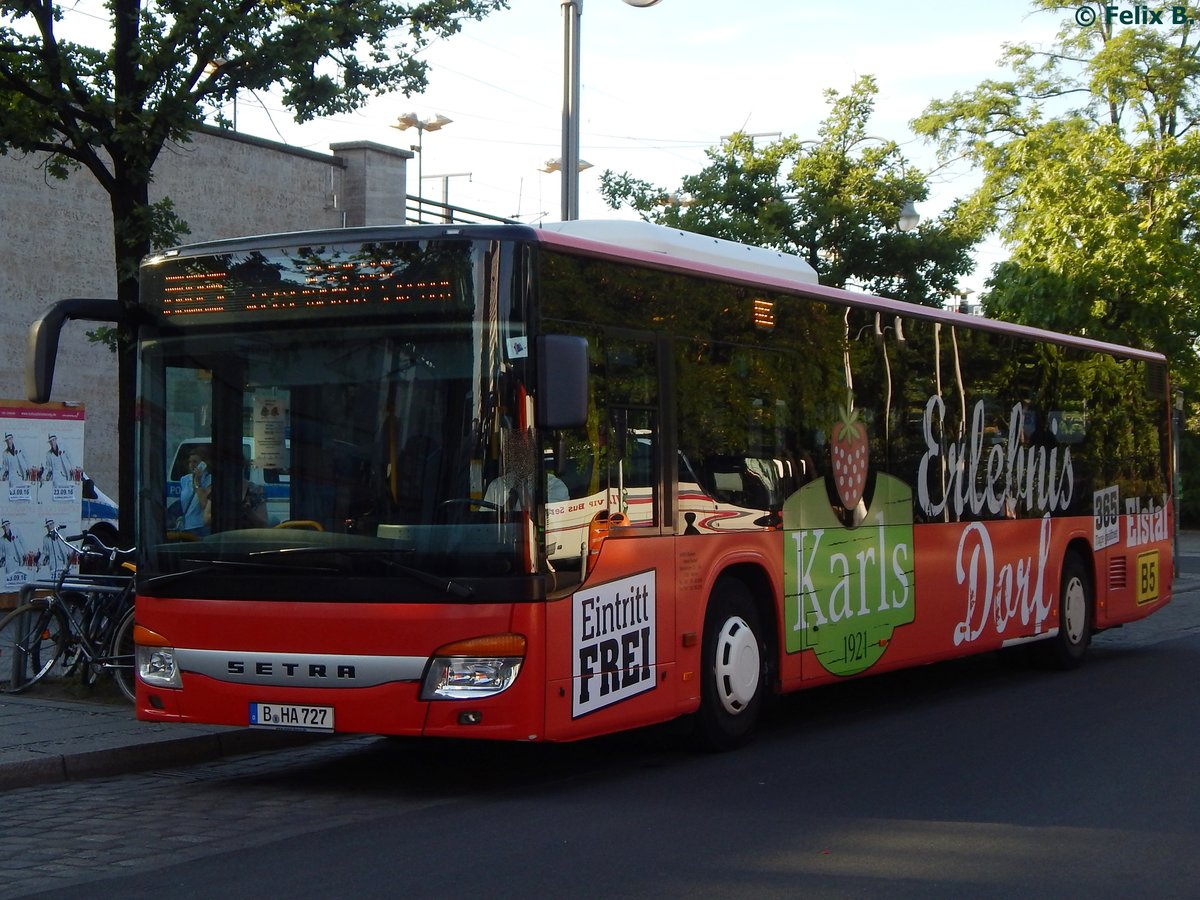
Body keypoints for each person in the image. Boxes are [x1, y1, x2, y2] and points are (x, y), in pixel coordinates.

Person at [177, 449, 213, 535]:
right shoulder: (185, 479)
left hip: (201, 527)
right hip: (187, 526)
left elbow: (204, 504)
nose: (192, 465)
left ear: (203, 464)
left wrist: (197, 482)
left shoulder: (209, 480)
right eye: (190, 462)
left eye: (195, 462)